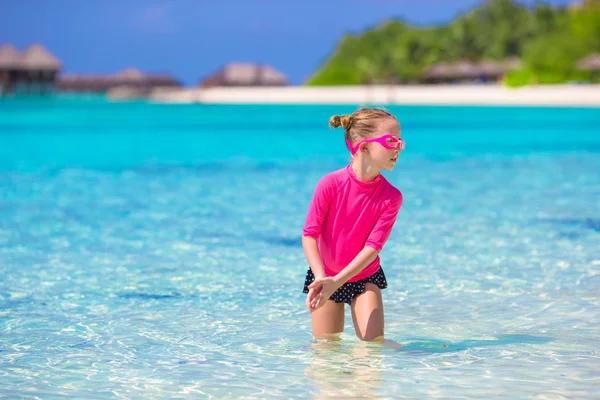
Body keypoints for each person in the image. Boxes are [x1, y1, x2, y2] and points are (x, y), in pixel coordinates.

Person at [302, 107, 405, 342]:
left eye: (400, 142)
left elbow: (373, 248)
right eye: (391, 141)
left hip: (363, 276)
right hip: (324, 275)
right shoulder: (329, 184)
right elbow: (310, 235)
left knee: (372, 348)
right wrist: (321, 278)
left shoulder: (391, 197)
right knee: (326, 353)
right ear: (365, 146)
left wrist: (337, 281)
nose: (398, 148)